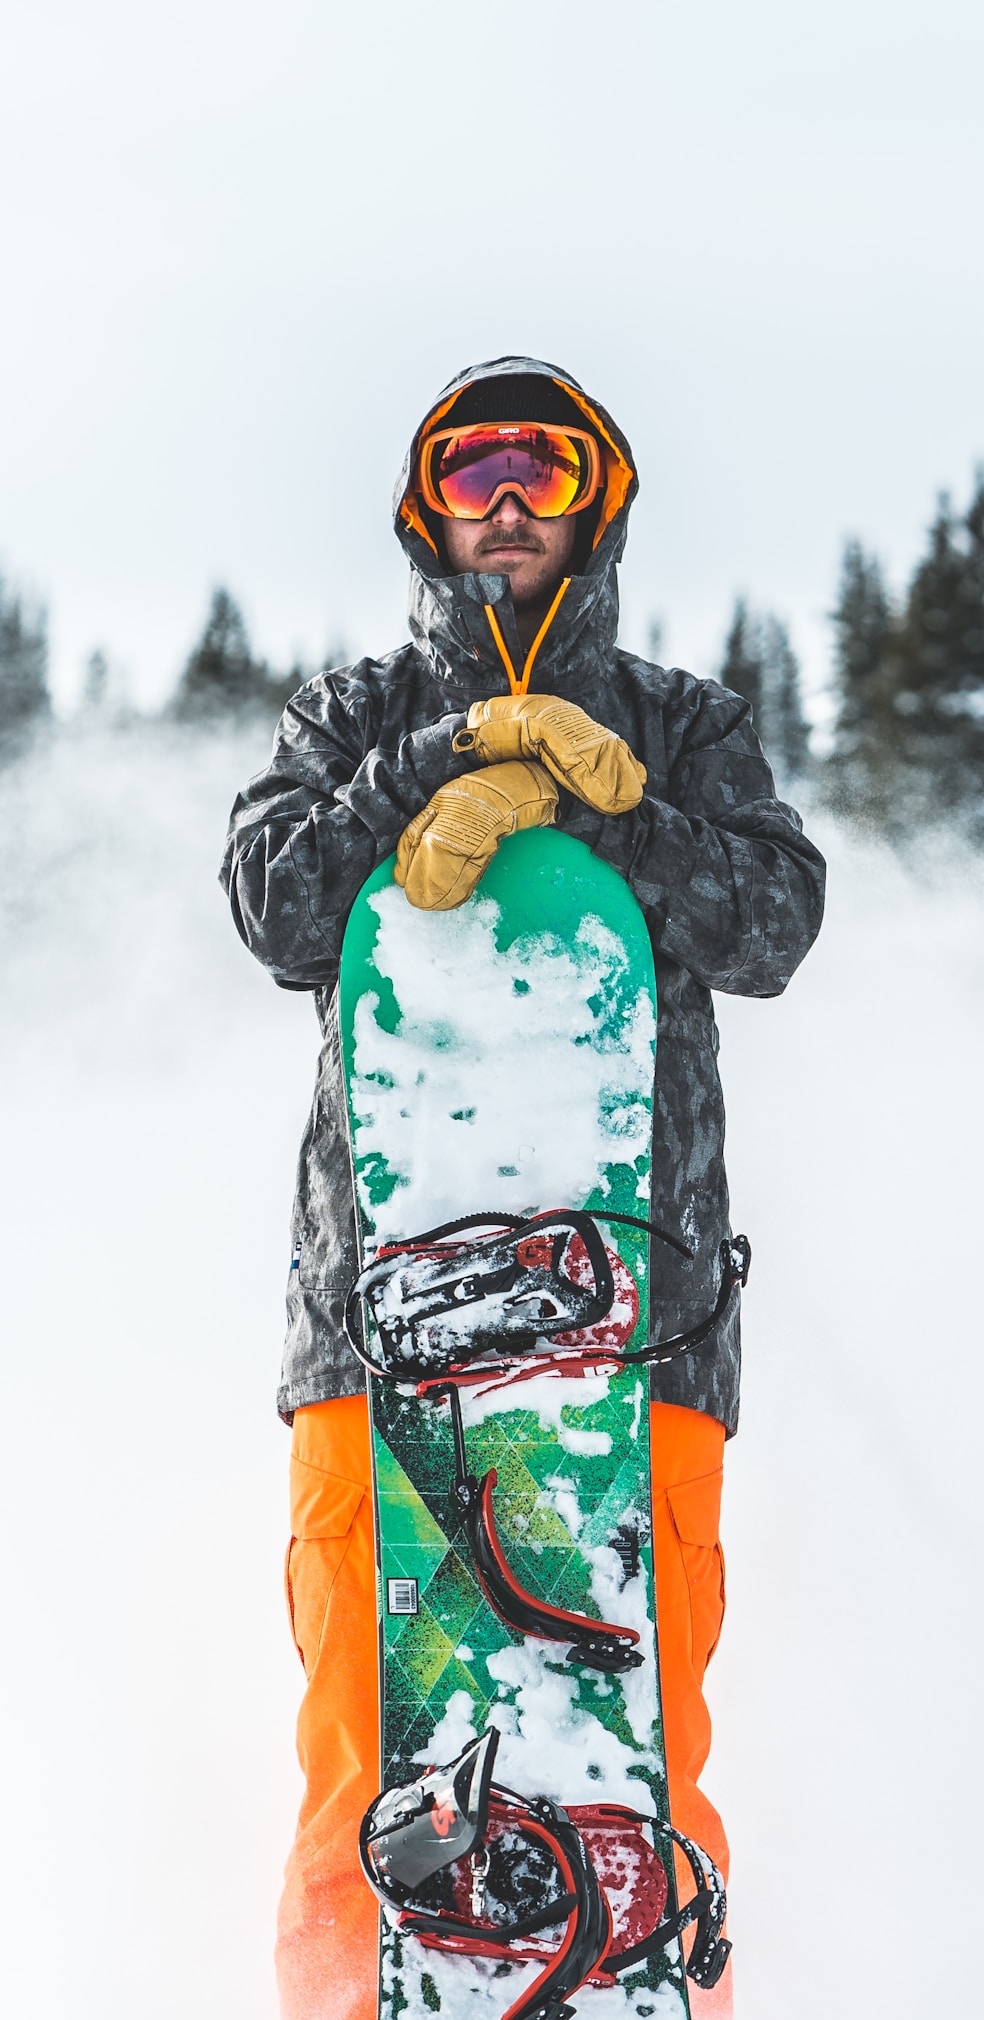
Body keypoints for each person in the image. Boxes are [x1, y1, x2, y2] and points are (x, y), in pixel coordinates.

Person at [221, 355, 826, 2020]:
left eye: (539, 471)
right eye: (474, 470)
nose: (504, 501)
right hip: (372, 1340)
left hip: (648, 1337)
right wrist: (445, 762)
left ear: (594, 503)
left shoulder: (682, 725)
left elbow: (774, 923)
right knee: (367, 1767)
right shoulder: (349, 720)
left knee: (635, 1758)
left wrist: (609, 805)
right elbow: (278, 905)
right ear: (427, 509)